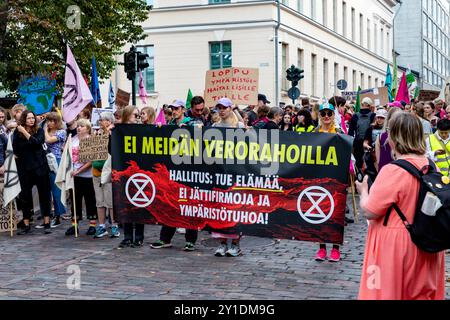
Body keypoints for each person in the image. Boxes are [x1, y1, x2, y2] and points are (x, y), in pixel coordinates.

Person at [356, 112, 445, 300]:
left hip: (396, 245)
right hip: (427, 240)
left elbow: (370, 210)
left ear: (395, 137)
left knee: (388, 292)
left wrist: (363, 191)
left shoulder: (393, 170)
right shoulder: (431, 165)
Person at [210, 98, 244, 257]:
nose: (222, 110)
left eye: (224, 107)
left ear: (230, 108)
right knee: (220, 209)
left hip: (235, 172)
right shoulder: (215, 126)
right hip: (220, 172)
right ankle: (222, 244)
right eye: (219, 108)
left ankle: (236, 245)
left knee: (236, 209)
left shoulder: (237, 125)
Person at [13, 110, 52, 235]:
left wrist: (24, 132)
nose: (31, 120)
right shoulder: (16, 132)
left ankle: (47, 222)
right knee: (25, 197)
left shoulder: (39, 131)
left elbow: (37, 143)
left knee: (44, 195)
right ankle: (26, 224)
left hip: (40, 167)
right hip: (25, 168)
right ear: (24, 119)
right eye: (29, 118)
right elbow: (15, 148)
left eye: (33, 118)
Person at [313, 102, 344, 262]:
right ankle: (322, 248)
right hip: (318, 177)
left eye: (329, 114)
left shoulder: (339, 132)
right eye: (323, 113)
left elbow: (346, 152)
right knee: (320, 213)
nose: (326, 116)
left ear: (333, 115)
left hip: (335, 177)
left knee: (335, 213)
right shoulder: (315, 132)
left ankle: (335, 249)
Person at [65, 119, 98, 236]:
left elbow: (91, 161)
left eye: (82, 126)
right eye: (78, 126)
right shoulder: (72, 140)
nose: (79, 128)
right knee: (75, 200)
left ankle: (92, 224)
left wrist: (78, 171)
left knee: (90, 199)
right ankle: (74, 224)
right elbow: (67, 156)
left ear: (88, 129)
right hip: (74, 175)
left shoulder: (91, 140)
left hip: (87, 175)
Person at [118, 106, 145, 248]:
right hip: (124, 172)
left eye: (139, 115)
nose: (138, 117)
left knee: (139, 204)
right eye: (135, 115)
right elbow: (113, 150)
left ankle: (139, 237)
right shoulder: (119, 130)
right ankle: (127, 236)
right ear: (127, 115)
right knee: (126, 206)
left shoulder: (142, 130)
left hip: (139, 172)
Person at [93, 112, 120, 239]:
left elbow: (113, 149)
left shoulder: (113, 134)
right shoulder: (97, 133)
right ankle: (102, 226)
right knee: (100, 201)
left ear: (109, 121)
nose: (100, 122)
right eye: (99, 120)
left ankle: (114, 225)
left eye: (102, 120)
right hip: (97, 171)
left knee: (110, 201)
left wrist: (109, 134)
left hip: (108, 170)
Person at [43, 112, 67, 227]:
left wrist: (44, 131)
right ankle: (49, 214)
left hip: (56, 161)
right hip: (44, 160)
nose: (50, 123)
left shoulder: (61, 132)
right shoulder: (47, 131)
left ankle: (58, 214)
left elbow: (48, 140)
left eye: (52, 121)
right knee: (46, 189)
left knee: (56, 188)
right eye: (48, 120)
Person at [348, 97, 376, 172]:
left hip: (357, 143)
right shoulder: (373, 115)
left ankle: (359, 176)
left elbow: (350, 132)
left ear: (361, 104)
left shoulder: (355, 116)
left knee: (358, 162)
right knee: (370, 163)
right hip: (370, 144)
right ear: (370, 106)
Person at [375, 107, 402, 173]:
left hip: (385, 171)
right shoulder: (403, 136)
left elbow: (378, 160)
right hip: (395, 171)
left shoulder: (380, 136)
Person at [362, 109, 387, 181]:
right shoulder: (370, 128)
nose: (379, 119)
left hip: (385, 154)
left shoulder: (389, 129)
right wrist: (368, 147)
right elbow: (365, 142)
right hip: (373, 154)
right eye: (378, 117)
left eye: (382, 118)